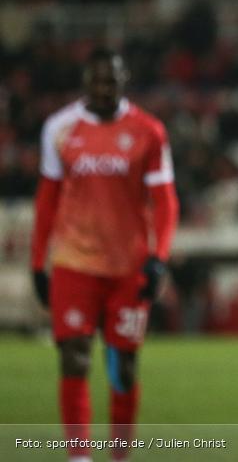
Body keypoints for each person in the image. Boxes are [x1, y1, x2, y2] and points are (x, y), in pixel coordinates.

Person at [30, 47, 179, 462]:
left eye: (110, 80)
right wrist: (36, 262)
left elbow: (165, 201)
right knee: (74, 358)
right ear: (85, 82)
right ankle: (79, 457)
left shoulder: (149, 131)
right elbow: (46, 201)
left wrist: (158, 257)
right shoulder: (59, 128)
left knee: (123, 368)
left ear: (123, 79)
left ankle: (119, 454)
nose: (103, 88)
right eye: (96, 80)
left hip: (128, 267)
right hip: (74, 264)